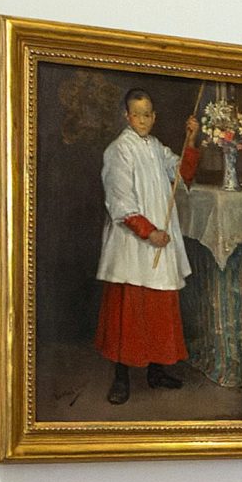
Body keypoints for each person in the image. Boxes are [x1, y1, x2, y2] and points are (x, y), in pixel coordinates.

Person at [92, 89, 198, 404]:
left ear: (154, 117)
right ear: (127, 116)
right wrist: (148, 232)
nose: (143, 119)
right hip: (132, 243)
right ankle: (121, 378)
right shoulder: (118, 150)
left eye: (148, 114)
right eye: (137, 114)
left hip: (160, 241)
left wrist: (190, 140)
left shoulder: (156, 148)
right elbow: (119, 200)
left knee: (157, 309)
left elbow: (182, 174)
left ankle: (156, 371)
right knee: (129, 312)